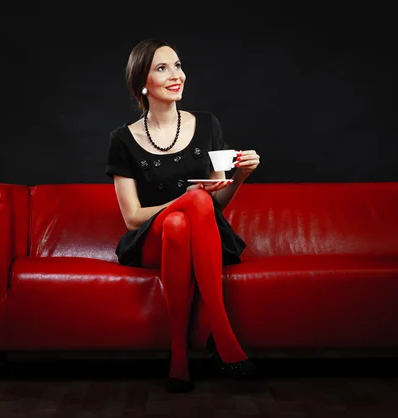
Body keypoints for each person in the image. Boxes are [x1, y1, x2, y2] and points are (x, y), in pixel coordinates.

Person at [105, 38, 261, 393]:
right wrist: (185, 199)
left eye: (177, 65)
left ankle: (178, 354)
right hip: (149, 242)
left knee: (187, 216)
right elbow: (132, 218)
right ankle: (222, 336)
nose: (176, 75)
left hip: (198, 234)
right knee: (187, 208)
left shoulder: (206, 125)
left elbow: (216, 202)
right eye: (162, 68)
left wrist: (240, 176)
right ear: (142, 83)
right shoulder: (122, 140)